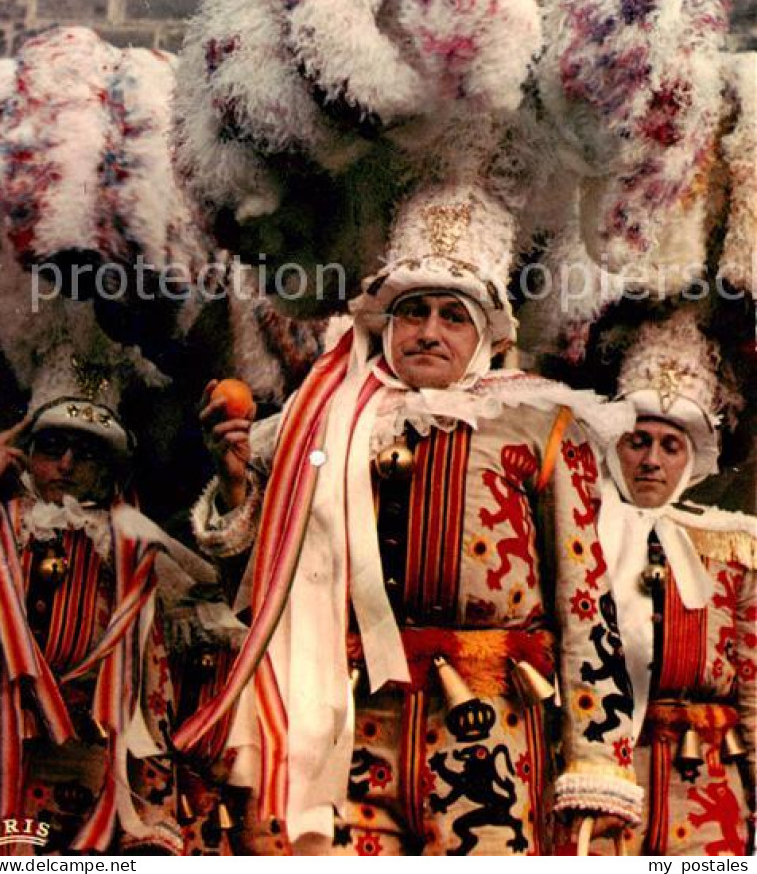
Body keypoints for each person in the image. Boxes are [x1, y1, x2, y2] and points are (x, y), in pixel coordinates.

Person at [181, 183, 644, 856]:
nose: (429, 331)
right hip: (356, 728)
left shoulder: (544, 428)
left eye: (453, 316)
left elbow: (584, 603)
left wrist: (598, 761)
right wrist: (231, 486)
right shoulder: (320, 423)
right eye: (413, 312)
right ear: (384, 324)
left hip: (495, 733)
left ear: (486, 333)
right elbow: (254, 590)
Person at [0, 340, 196, 856]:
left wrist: (153, 806)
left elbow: (152, 689)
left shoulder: (131, 558)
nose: (67, 464)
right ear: (25, 453)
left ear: (110, 468)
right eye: (52, 447)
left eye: (88, 452)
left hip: (82, 775)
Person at [597, 311, 755, 856]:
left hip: (709, 780)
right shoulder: (583, 536)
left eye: (671, 446)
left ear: (691, 460)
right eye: (638, 441)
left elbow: (754, 688)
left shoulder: (729, 546)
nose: (651, 461)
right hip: (610, 774)